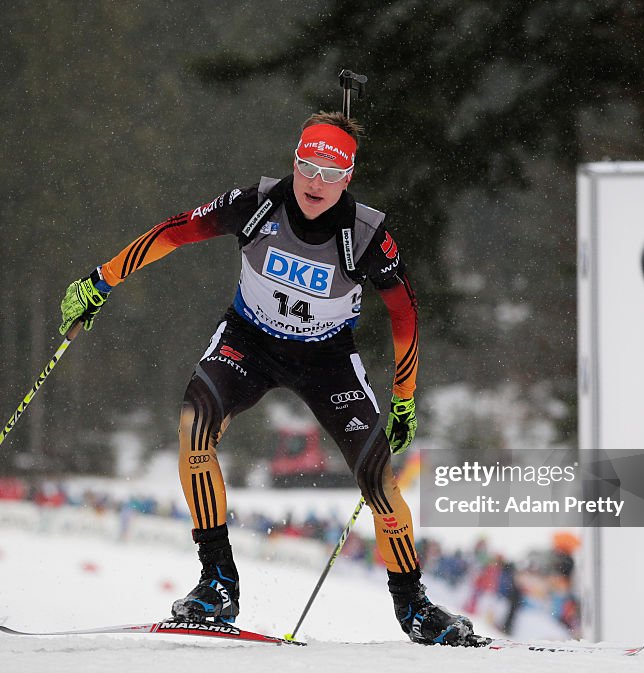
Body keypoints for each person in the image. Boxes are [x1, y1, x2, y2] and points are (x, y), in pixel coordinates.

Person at [59, 112, 474, 645]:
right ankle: (217, 583)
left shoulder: (367, 234)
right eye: (308, 166)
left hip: (327, 359)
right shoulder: (256, 203)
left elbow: (405, 313)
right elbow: (177, 230)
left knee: (379, 479)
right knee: (194, 431)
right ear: (294, 163)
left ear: (350, 176)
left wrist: (404, 400)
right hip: (249, 341)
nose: (316, 182)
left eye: (333, 170)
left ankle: (414, 606)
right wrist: (102, 279)